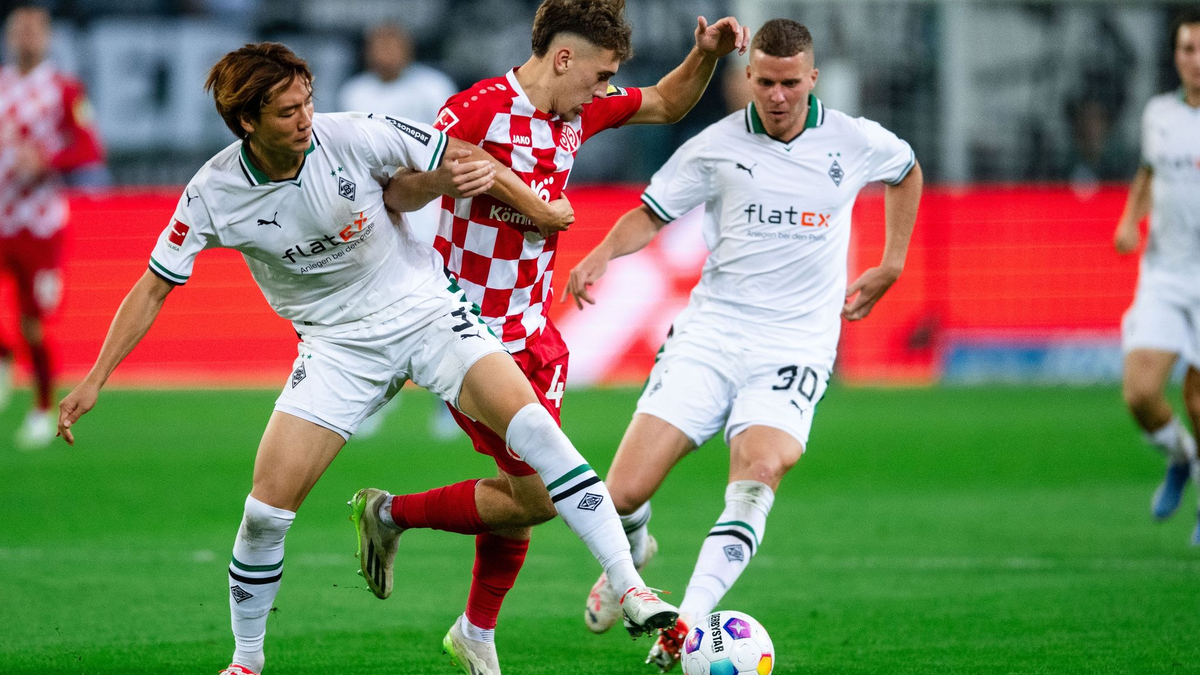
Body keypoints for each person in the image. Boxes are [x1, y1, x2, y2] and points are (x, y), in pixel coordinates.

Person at [55, 42, 676, 675]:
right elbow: (154, 286)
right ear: (246, 122)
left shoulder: (351, 134)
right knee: (264, 514)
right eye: (287, 112)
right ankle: (245, 662)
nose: (305, 119)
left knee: (537, 433)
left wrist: (531, 206)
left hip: (427, 312)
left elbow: (461, 155)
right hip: (336, 346)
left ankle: (630, 588)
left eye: (307, 102)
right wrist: (96, 379)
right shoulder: (213, 192)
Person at [353, 2, 749, 673]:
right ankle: (621, 582)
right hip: (466, 335)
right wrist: (455, 178)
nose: (604, 90)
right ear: (563, 59)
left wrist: (705, 55)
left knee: (522, 499)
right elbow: (397, 192)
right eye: (601, 75)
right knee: (539, 492)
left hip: (535, 334)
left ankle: (467, 618)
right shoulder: (475, 110)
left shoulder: (577, 112)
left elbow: (665, 101)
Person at [565, 18, 923, 670]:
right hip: (711, 336)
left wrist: (892, 262)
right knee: (620, 495)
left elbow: (906, 170)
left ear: (812, 78)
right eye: (765, 83)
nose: (778, 96)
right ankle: (635, 546)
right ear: (747, 78)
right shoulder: (716, 146)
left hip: (794, 347)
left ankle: (687, 621)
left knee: (759, 472)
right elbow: (651, 212)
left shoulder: (852, 140)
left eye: (791, 83)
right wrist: (601, 254)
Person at [338, 20, 462, 441]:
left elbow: (450, 147)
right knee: (376, 312)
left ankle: (451, 404)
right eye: (378, 45)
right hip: (376, 214)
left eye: (393, 45)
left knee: (444, 310)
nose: (386, 54)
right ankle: (373, 399)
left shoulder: (433, 88)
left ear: (407, 49)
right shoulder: (355, 94)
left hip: (429, 211)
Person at [1112, 8, 1200, 545]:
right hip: (1165, 274)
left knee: (1197, 402)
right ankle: (1182, 456)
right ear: (1176, 56)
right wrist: (1130, 219)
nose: (1197, 60)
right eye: (1188, 49)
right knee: (1141, 393)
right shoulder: (1159, 115)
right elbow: (1149, 172)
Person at [0, 5, 104, 449]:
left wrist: (48, 160)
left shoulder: (63, 90)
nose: (25, 39)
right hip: (1, 216)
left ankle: (42, 408)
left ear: (46, 39)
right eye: (18, 31)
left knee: (33, 325)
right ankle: (4, 355)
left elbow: (89, 148)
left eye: (33, 31)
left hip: (39, 225)